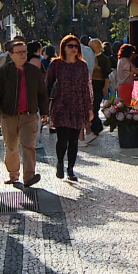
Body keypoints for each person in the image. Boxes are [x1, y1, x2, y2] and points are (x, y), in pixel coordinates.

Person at [0, 41, 49, 186]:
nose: (23, 55)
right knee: (11, 147)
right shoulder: (4, 72)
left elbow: (42, 92)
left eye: (24, 52)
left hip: (29, 115)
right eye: (19, 52)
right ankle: (13, 174)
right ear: (11, 54)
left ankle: (29, 176)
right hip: (9, 115)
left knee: (29, 146)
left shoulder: (34, 71)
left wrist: (44, 111)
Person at [46, 35, 93, 182]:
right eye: (70, 46)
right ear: (63, 48)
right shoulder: (56, 64)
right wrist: (45, 107)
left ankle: (71, 169)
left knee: (74, 140)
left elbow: (86, 88)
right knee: (62, 138)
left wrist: (89, 108)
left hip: (78, 105)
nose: (74, 49)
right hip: (61, 105)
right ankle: (60, 163)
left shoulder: (82, 66)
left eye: (76, 46)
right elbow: (48, 85)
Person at [87, 39, 111, 142]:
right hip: (90, 85)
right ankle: (96, 126)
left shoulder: (104, 59)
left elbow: (106, 75)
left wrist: (105, 87)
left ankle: (96, 127)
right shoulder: (89, 58)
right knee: (91, 106)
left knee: (95, 106)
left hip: (99, 85)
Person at [26, 41, 46, 150]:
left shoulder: (27, 59)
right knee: (36, 116)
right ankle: (35, 140)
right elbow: (35, 77)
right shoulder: (36, 61)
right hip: (35, 90)